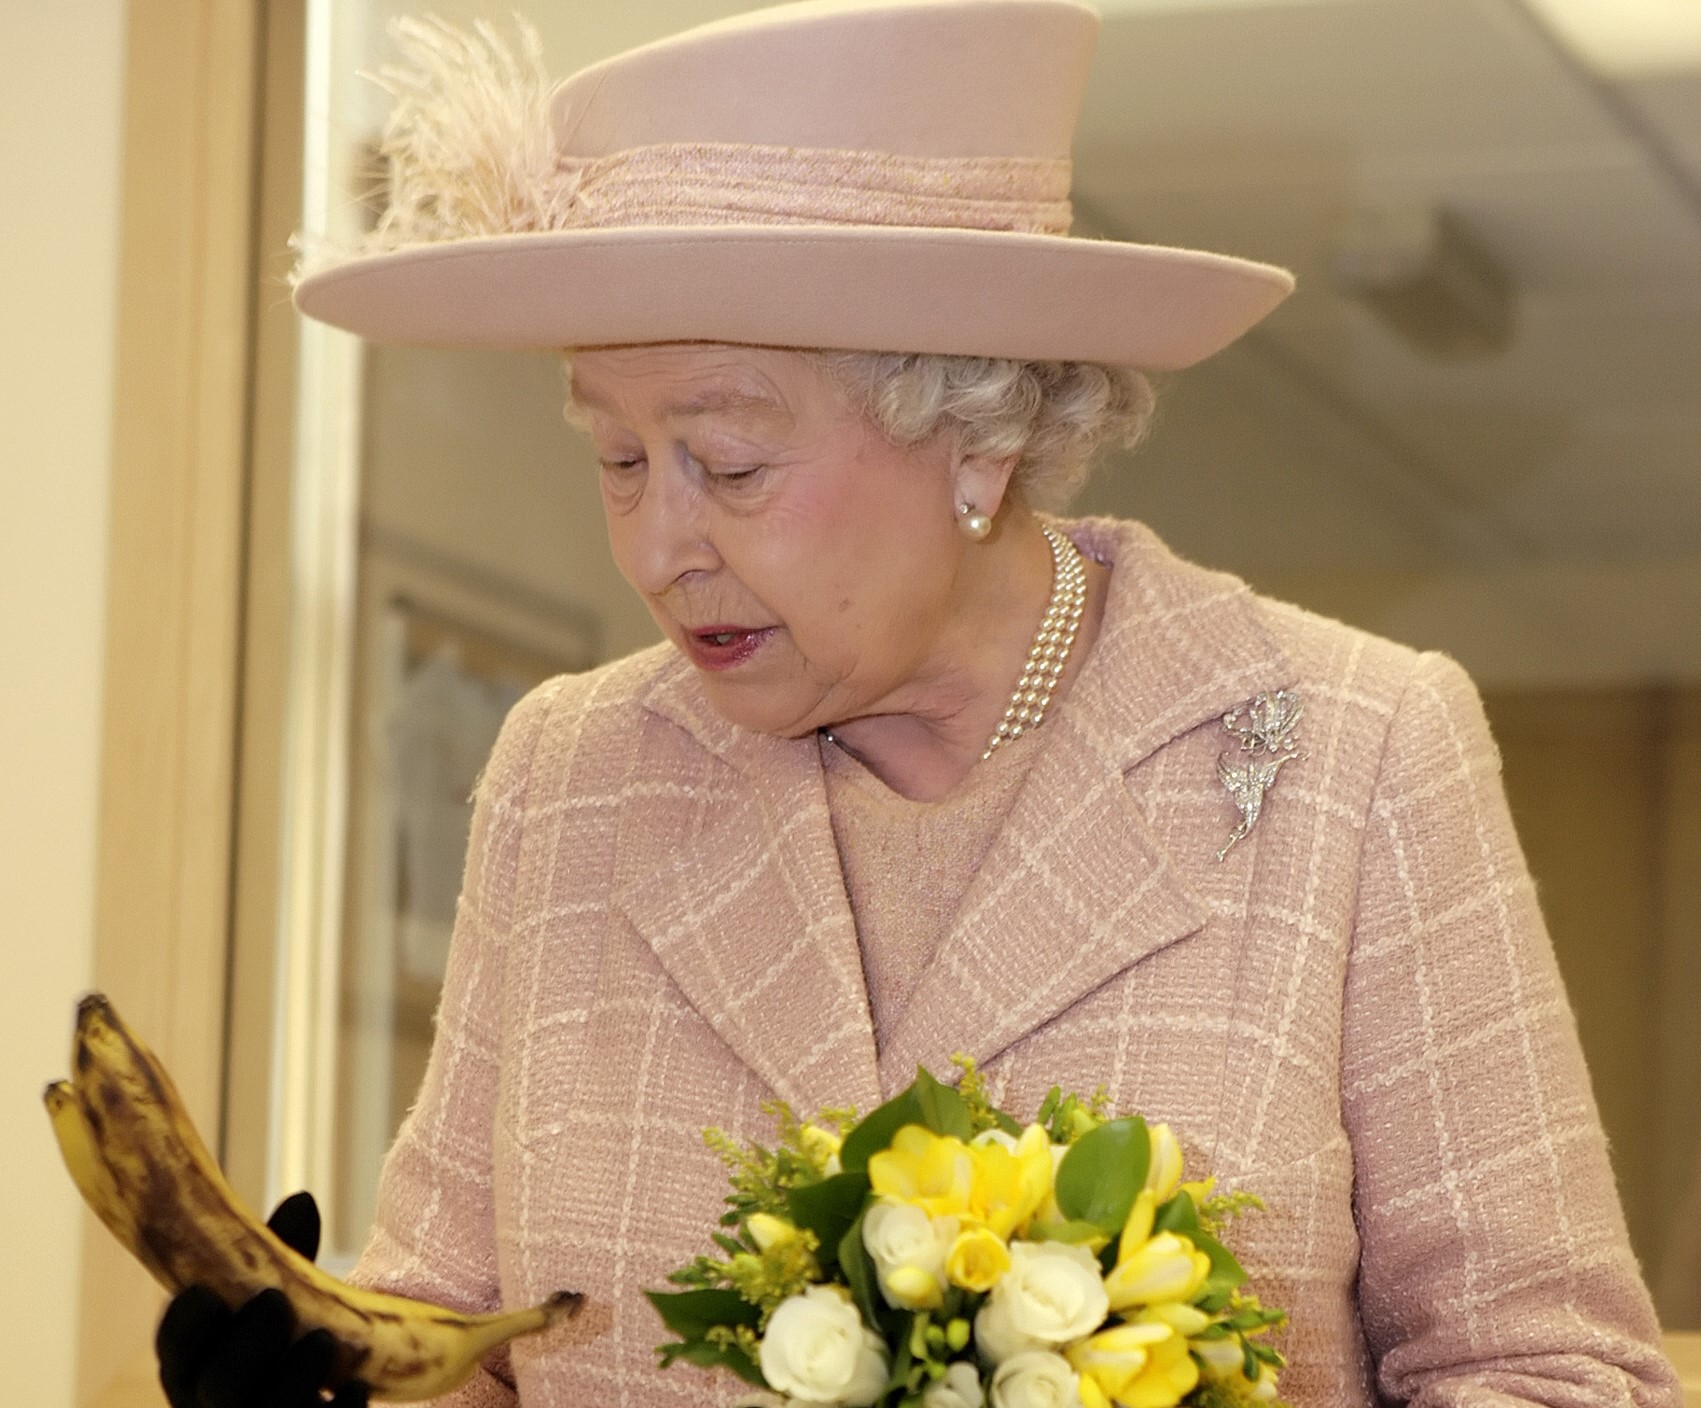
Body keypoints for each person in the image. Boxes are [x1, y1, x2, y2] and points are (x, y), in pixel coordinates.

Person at [159, 2, 1680, 1406]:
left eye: (729, 462)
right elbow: (461, 1337)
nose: (656, 545)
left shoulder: (1348, 750)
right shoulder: (576, 775)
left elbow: (1553, 1373)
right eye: (617, 459)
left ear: (976, 438)